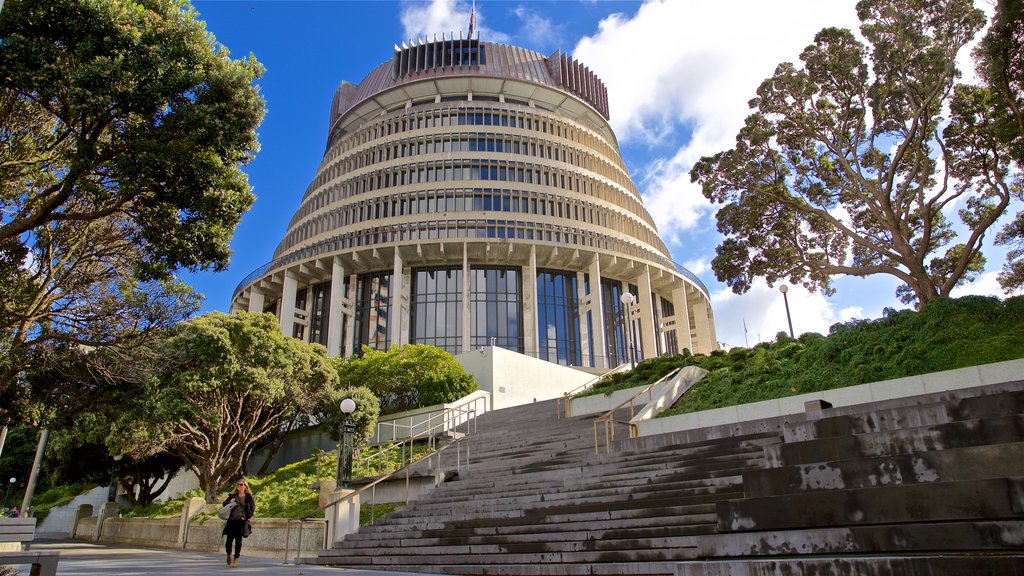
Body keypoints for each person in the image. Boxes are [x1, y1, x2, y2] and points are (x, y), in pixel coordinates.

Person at [221, 479, 255, 567]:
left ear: (245, 487)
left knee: (238, 541)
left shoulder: (248, 497)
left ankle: (236, 558)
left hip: (241, 521)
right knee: (228, 541)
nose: (239, 486)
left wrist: (247, 517)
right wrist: (230, 502)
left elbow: (252, 508)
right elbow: (224, 504)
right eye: (238, 484)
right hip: (231, 521)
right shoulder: (232, 496)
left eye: (241, 484)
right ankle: (229, 554)